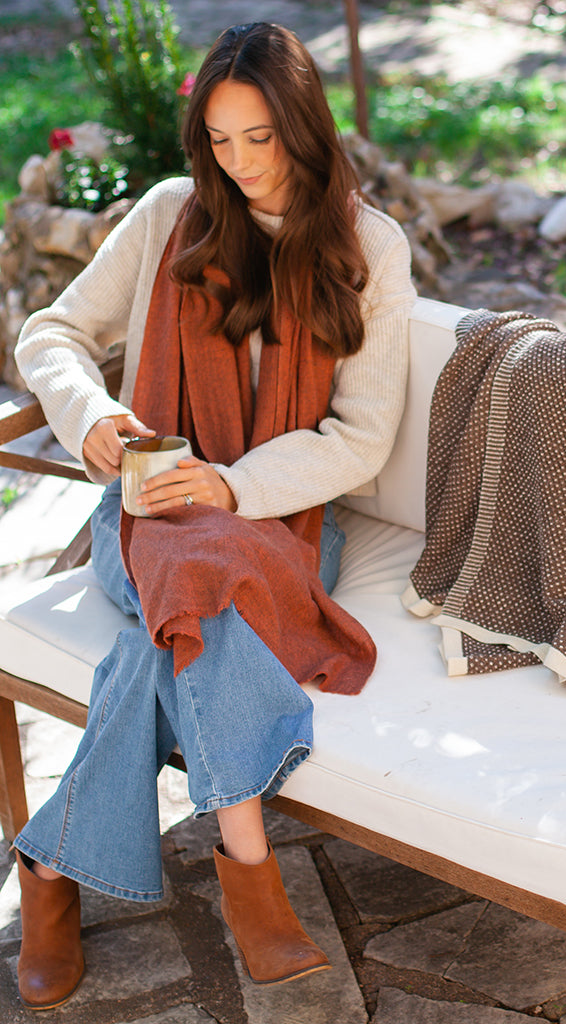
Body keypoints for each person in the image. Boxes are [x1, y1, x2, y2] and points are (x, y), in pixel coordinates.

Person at [12, 22, 415, 1009]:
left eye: (260, 140)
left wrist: (229, 487)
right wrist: (95, 412)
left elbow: (360, 438)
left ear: (305, 131)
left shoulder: (368, 247)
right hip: (143, 520)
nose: (238, 167)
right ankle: (246, 857)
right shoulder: (168, 218)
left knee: (191, 600)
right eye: (220, 142)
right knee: (192, 572)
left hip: (281, 527)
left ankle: (52, 867)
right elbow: (51, 331)